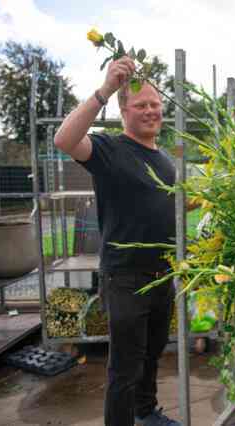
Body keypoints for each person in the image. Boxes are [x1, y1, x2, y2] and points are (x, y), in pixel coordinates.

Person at [54, 56, 183, 426]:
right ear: (123, 110)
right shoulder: (109, 150)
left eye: (156, 105)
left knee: (152, 354)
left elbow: (168, 201)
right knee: (124, 367)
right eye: (141, 105)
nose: (151, 111)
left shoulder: (163, 159)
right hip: (125, 277)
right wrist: (105, 89)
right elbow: (64, 140)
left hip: (162, 274)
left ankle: (146, 412)